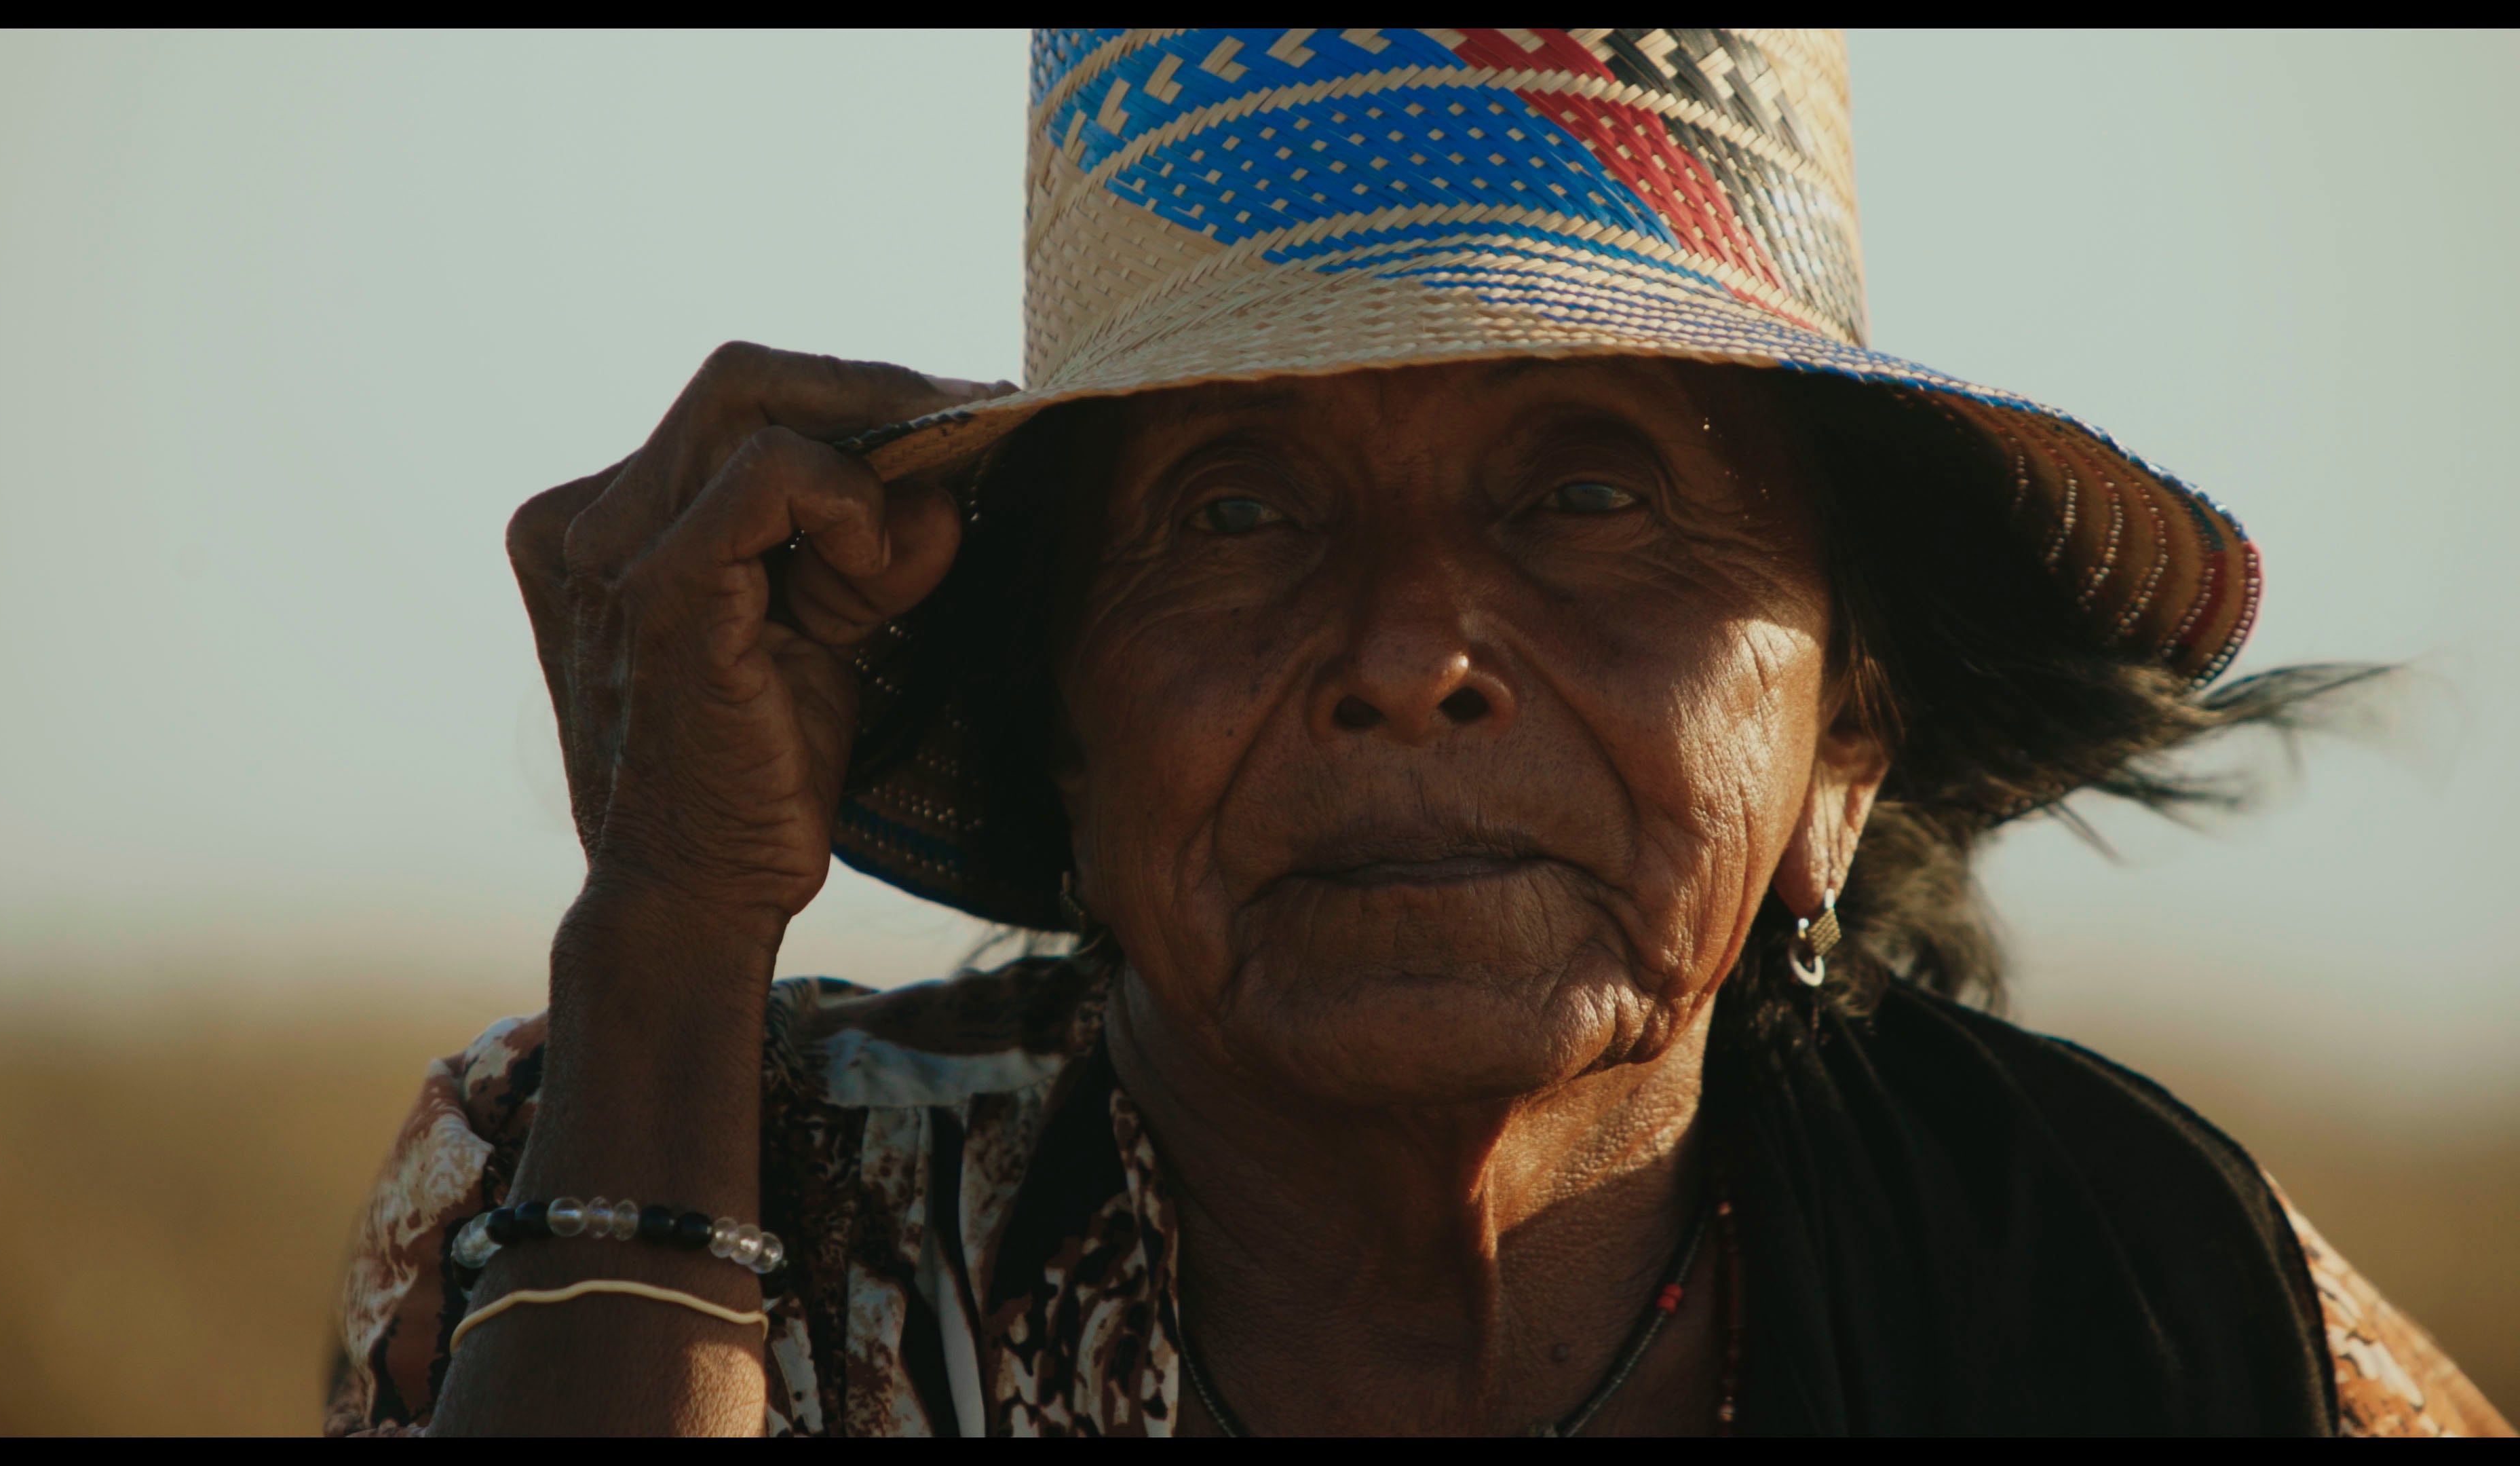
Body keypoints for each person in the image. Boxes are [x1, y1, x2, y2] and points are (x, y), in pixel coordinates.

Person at [327, 29, 2509, 1435]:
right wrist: (668, 938)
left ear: (1849, 734)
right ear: (1066, 728)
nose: (1407, 652)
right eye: (1237, 506)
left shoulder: (2138, 1301)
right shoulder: (678, 1170)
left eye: (1588, 489)